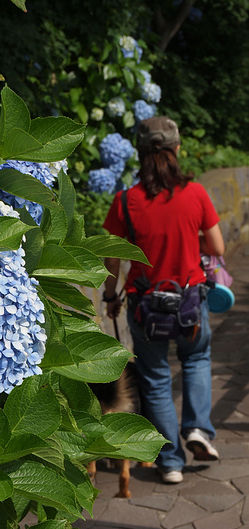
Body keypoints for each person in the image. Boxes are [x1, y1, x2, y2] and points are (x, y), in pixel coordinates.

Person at [102, 116, 225, 484]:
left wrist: (111, 297)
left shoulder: (125, 202)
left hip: (146, 305)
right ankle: (198, 429)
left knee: (155, 379)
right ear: (177, 150)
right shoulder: (196, 194)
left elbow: (112, 259)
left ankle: (170, 462)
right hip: (190, 302)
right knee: (196, 359)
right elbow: (217, 248)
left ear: (139, 154)